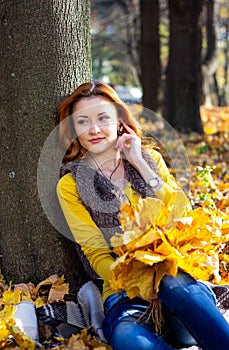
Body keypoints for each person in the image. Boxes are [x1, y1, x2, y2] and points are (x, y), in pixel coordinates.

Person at [56, 82, 229, 350]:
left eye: (103, 118)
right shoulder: (71, 184)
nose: (95, 129)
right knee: (126, 336)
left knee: (174, 285)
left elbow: (183, 216)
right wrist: (140, 282)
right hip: (126, 295)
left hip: (178, 283)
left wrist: (139, 161)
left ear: (120, 121)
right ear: (73, 130)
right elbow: (96, 256)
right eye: (83, 122)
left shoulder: (151, 160)